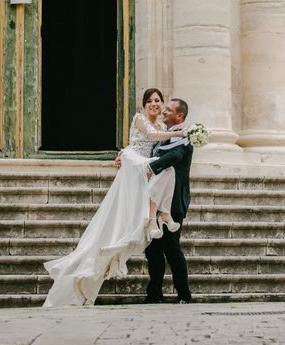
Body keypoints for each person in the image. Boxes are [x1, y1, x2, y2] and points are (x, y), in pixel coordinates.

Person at [43, 88, 186, 307]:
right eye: (150, 101)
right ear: (144, 104)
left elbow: (163, 152)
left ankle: (180, 291)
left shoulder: (170, 132)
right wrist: (124, 155)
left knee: (166, 247)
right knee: (150, 247)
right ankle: (153, 288)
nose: (156, 105)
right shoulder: (143, 121)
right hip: (138, 175)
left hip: (152, 186)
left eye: (159, 101)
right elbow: (148, 139)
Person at [143, 98, 194, 304]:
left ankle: (184, 294)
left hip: (173, 202)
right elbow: (145, 152)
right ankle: (154, 294)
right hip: (154, 199)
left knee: (171, 247)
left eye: (169, 110)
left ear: (179, 116)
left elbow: (175, 156)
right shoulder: (163, 135)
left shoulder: (184, 137)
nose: (164, 111)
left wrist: (151, 168)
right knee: (152, 249)